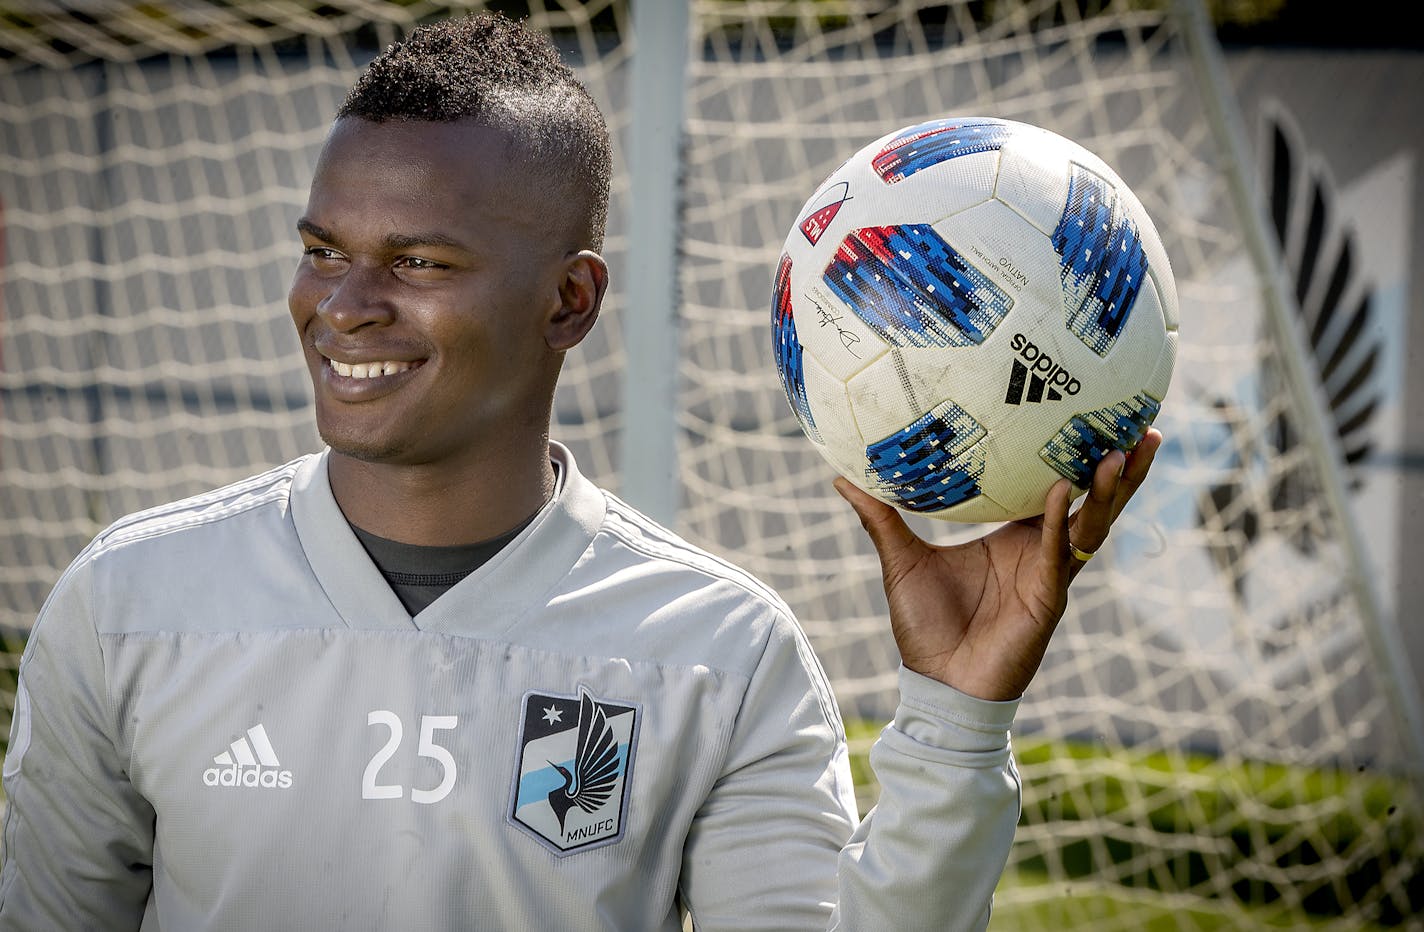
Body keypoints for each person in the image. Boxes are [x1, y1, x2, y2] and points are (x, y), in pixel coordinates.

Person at [0, 11, 1161, 931]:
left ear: (570, 299)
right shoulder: (132, 603)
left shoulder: (721, 651)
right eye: (322, 251)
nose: (343, 306)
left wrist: (956, 720)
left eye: (416, 259)